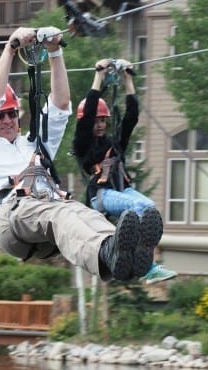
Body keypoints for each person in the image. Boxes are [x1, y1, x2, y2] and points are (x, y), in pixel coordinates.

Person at [0, 27, 161, 282]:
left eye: (12, 113)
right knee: (60, 213)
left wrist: (55, 53)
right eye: (2, 115)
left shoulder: (32, 145)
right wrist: (11, 49)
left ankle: (127, 257)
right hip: (10, 215)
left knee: (82, 212)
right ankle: (106, 254)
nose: (8, 120)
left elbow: (60, 106)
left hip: (44, 214)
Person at [72, 58, 177, 285]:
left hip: (122, 189)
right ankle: (126, 250)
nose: (99, 125)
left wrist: (128, 79)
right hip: (100, 195)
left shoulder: (115, 143)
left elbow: (131, 117)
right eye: (96, 122)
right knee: (135, 207)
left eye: (103, 121)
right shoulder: (82, 145)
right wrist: (99, 76)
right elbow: (88, 111)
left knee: (148, 207)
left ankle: (145, 264)